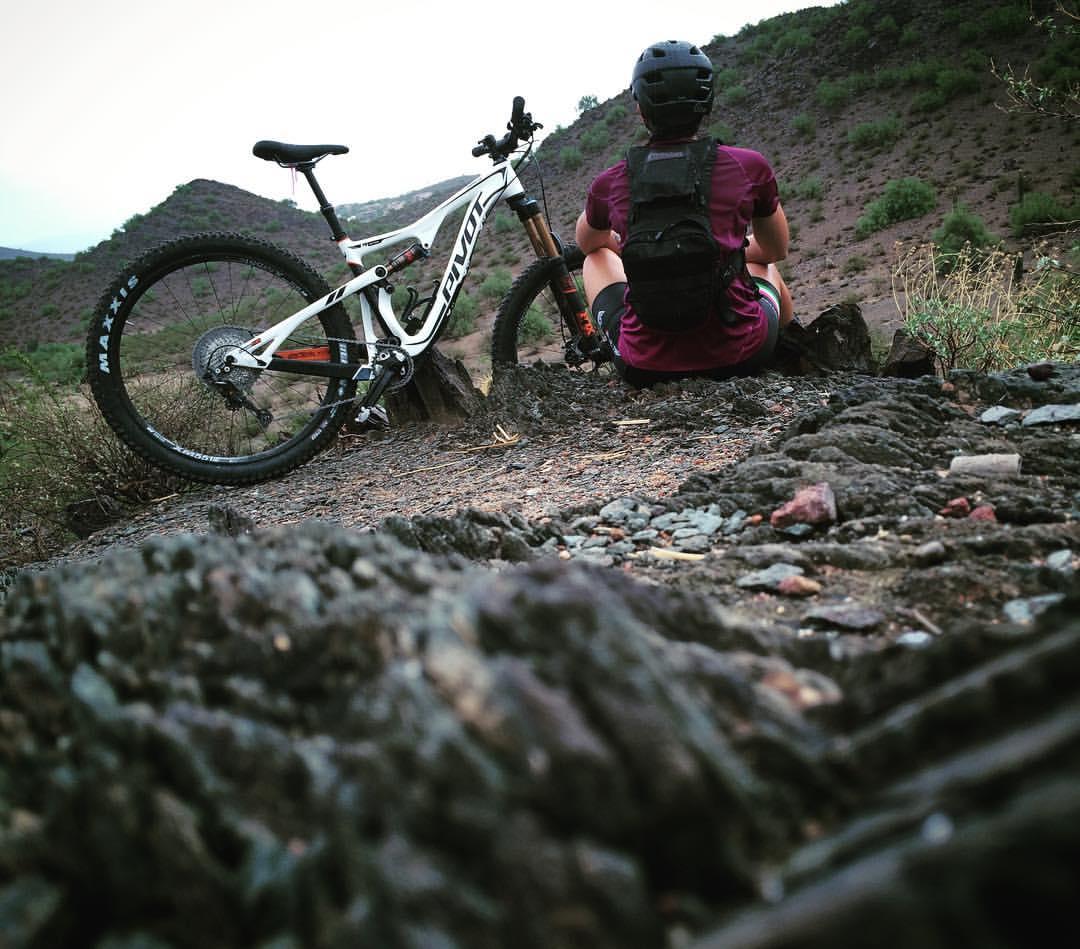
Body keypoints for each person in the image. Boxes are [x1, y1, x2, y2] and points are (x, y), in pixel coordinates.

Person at [575, 40, 794, 386]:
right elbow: (776, 248)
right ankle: (788, 351)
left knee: (595, 258)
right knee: (765, 266)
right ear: (706, 102)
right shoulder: (749, 166)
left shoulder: (610, 182)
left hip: (642, 367)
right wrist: (723, 250)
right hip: (744, 357)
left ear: (640, 108)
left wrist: (650, 252)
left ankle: (631, 341)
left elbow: (588, 242)